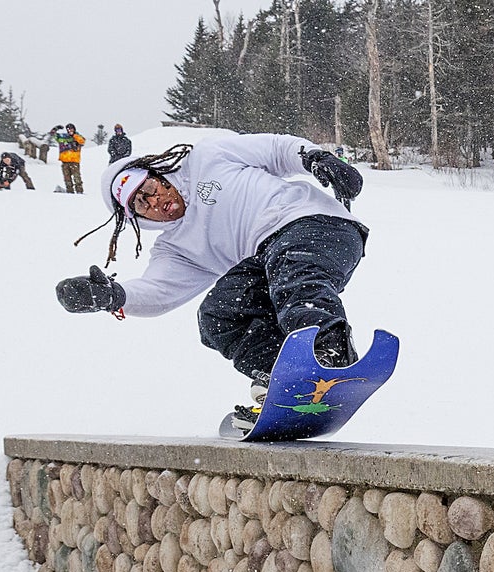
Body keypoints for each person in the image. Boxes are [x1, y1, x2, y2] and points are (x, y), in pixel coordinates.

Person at [54, 136, 367, 432]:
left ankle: (329, 354)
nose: (153, 202)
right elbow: (157, 292)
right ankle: (290, 384)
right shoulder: (175, 247)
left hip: (315, 223)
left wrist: (315, 158)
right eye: (140, 204)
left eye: (149, 189)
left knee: (293, 276)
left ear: (158, 176)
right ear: (135, 217)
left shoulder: (207, 157)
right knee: (218, 315)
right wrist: (112, 296)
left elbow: (276, 150)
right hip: (267, 258)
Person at [57, 123, 86, 193]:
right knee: (67, 178)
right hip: (65, 161)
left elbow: (82, 141)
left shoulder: (77, 137)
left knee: (77, 177)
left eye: (71, 129)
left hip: (74, 161)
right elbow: (55, 137)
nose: (70, 130)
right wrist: (56, 129)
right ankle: (69, 191)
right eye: (68, 129)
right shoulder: (64, 138)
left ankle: (79, 191)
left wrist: (74, 135)